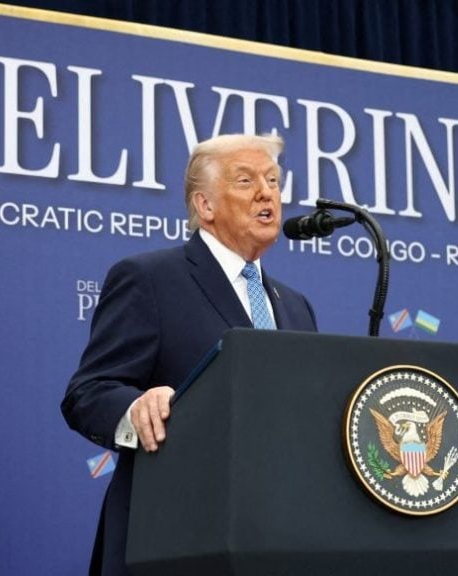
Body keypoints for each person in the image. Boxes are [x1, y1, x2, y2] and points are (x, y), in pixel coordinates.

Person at [62, 133, 318, 576]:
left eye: (273, 181)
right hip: (172, 534)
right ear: (205, 205)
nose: (266, 193)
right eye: (246, 181)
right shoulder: (149, 278)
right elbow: (88, 392)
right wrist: (136, 409)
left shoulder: (295, 305)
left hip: (274, 537)